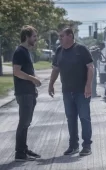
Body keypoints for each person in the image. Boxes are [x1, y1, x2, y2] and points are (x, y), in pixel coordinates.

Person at [48, 28, 94, 156]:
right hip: (67, 92)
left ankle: (87, 146)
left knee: (84, 118)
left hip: (82, 91)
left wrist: (88, 86)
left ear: (70, 36)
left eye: (61, 36)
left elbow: (90, 67)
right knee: (71, 119)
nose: (59, 38)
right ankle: (73, 146)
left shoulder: (81, 49)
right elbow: (56, 69)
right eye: (59, 36)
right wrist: (51, 84)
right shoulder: (59, 51)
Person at [12, 25, 42, 161]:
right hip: (23, 93)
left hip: (29, 92)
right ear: (27, 37)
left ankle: (23, 149)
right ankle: (20, 153)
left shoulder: (26, 52)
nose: (36, 39)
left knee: (26, 122)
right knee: (23, 122)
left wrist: (33, 87)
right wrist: (33, 79)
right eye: (34, 36)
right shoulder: (19, 52)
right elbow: (16, 71)